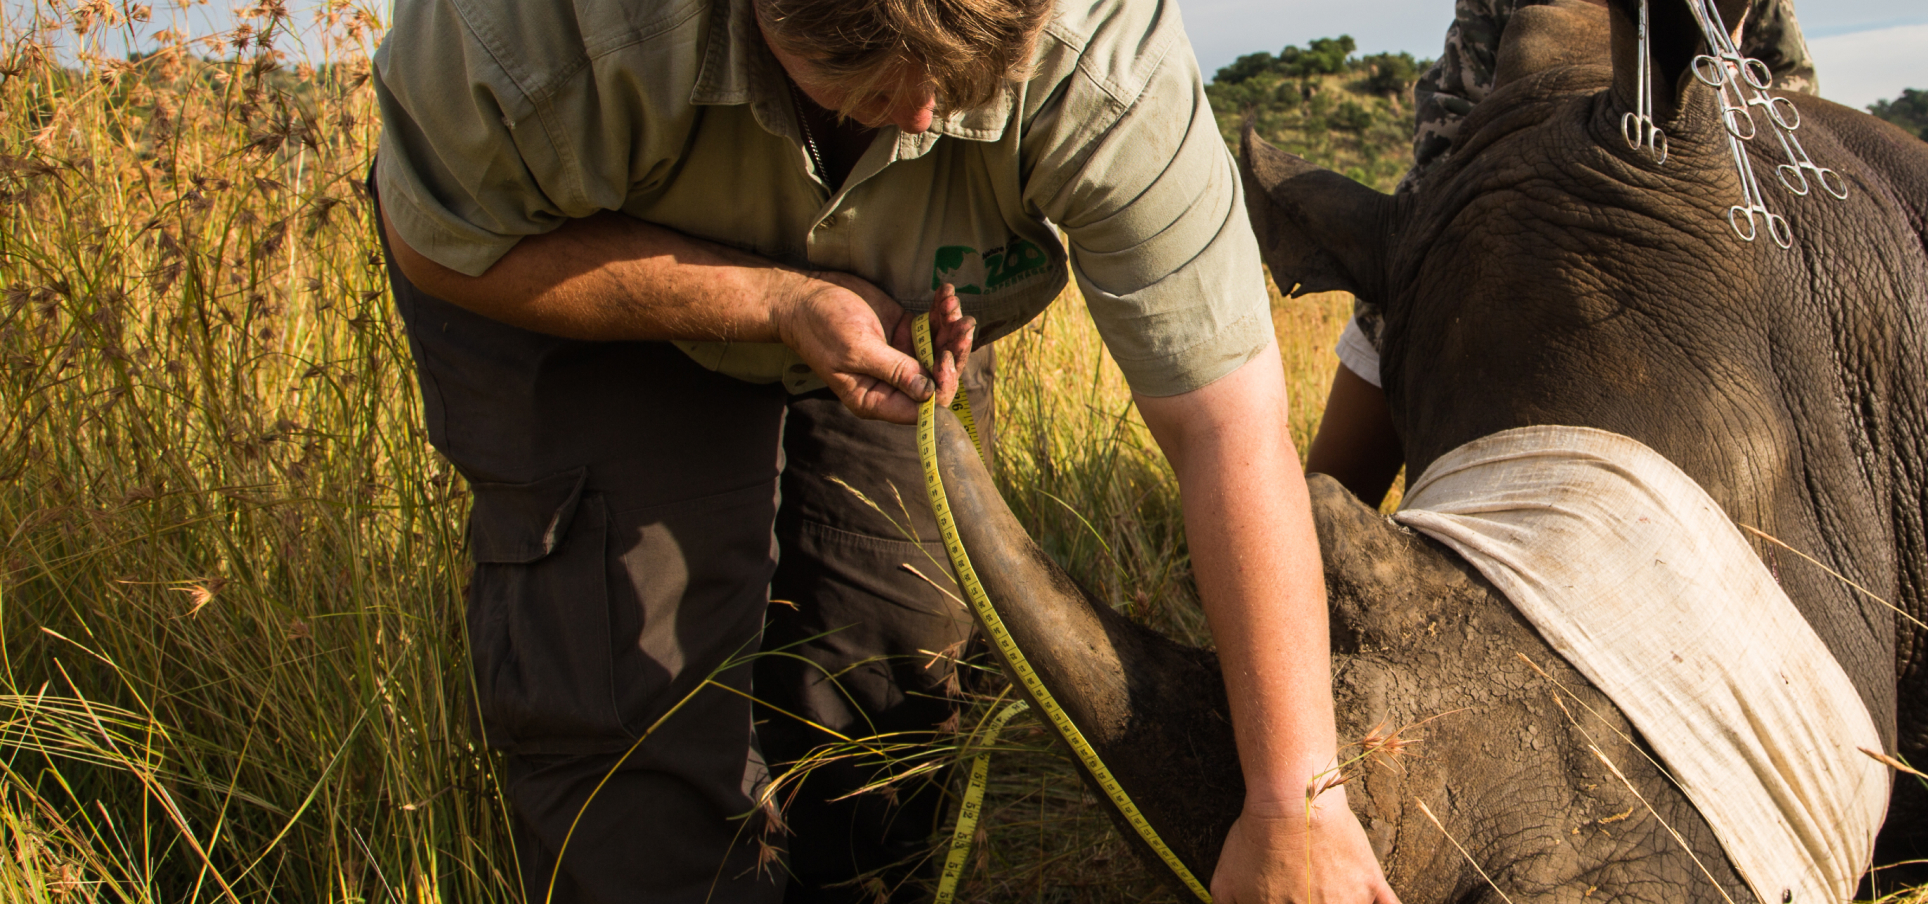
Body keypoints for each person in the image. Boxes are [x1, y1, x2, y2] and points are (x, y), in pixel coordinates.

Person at [367, 0, 1394, 900]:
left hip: (893, 307)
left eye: (963, 91)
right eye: (863, 79)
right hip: (600, 279)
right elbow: (449, 242)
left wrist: (1296, 798)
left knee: (894, 683)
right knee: (637, 727)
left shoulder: (1107, 50)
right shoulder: (533, 27)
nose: (920, 121)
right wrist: (766, 301)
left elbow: (1226, 421)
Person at [1306, 0, 1819, 503]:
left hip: (1695, 230)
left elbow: (1796, 105)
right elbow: (1445, 136)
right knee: (1331, 487)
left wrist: (1717, 105)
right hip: (1515, 233)